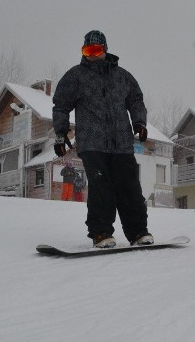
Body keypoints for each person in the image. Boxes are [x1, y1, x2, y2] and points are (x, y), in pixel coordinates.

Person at [52, 30, 153, 248]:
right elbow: (60, 105)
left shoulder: (123, 76)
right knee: (101, 188)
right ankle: (101, 233)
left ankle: (138, 232)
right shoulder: (76, 76)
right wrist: (60, 134)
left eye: (96, 50)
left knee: (130, 188)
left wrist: (140, 123)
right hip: (92, 143)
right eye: (87, 50)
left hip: (122, 144)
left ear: (104, 50)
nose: (92, 55)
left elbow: (136, 100)